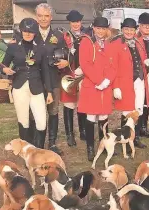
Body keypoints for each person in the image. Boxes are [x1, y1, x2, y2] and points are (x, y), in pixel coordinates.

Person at [1, 18, 52, 148]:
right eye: (25, 31)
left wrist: (50, 92)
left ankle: (39, 150)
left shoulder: (41, 48)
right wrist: (5, 69)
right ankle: (25, 151)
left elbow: (46, 71)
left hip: (36, 87)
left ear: (35, 32)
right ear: (21, 31)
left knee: (41, 122)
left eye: (30, 31)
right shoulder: (12, 47)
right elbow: (2, 65)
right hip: (19, 86)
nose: (28, 34)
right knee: (23, 121)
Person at [78, 17, 115, 161]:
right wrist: (98, 80)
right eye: (98, 28)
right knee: (91, 116)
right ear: (93, 28)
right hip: (92, 85)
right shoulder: (87, 42)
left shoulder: (108, 44)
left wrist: (107, 81)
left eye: (103, 28)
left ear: (107, 29)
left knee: (104, 116)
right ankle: (90, 147)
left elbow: (113, 65)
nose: (100, 31)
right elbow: (85, 64)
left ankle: (104, 144)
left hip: (105, 86)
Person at [35, 3, 69, 155]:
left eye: (46, 16)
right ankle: (38, 143)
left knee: (53, 111)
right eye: (40, 16)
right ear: (36, 17)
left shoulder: (58, 35)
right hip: (35, 80)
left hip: (53, 79)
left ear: (51, 17)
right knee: (36, 111)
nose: (43, 19)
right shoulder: (30, 33)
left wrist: (65, 61)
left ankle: (52, 143)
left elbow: (67, 54)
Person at [109, 18, 149, 148]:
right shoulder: (115, 44)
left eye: (131, 29)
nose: (129, 32)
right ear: (122, 29)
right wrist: (115, 86)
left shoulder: (138, 42)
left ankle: (135, 137)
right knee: (126, 112)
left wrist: (146, 64)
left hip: (139, 80)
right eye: (126, 29)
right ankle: (124, 137)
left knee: (138, 109)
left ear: (135, 30)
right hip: (124, 83)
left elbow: (139, 60)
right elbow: (112, 67)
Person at [61, 10, 91, 147]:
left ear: (81, 22)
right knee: (69, 104)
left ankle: (83, 130)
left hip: (84, 73)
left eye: (78, 22)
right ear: (70, 23)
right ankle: (70, 135)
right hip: (70, 73)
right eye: (73, 22)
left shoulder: (87, 36)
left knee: (82, 103)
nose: (76, 24)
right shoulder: (65, 36)